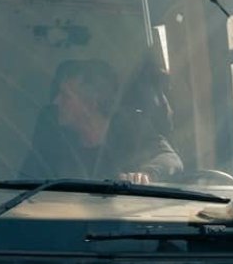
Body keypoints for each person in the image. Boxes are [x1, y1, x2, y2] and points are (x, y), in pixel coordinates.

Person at [21, 58, 182, 184]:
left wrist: (147, 174)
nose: (56, 102)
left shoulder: (131, 128)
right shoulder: (53, 138)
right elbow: (25, 183)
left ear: (91, 104)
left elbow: (170, 159)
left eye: (65, 96)